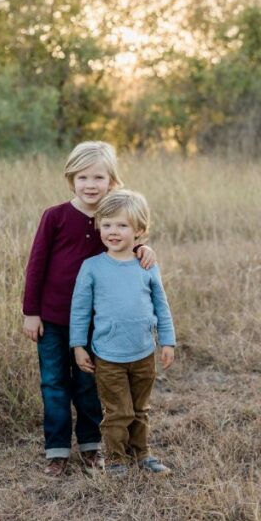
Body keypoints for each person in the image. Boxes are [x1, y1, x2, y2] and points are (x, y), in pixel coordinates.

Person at [21, 141, 156, 477]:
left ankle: (92, 447)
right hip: (52, 318)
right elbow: (36, 265)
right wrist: (31, 311)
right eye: (83, 177)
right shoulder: (55, 216)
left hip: (97, 321)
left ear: (112, 180)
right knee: (53, 384)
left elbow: (127, 240)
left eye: (99, 177)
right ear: (72, 178)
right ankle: (57, 451)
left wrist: (143, 248)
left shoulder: (111, 218)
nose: (91, 184)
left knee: (88, 385)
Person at [70, 190, 176, 476]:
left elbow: (161, 306)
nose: (113, 231)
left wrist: (167, 341)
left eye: (121, 225)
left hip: (143, 352)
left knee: (140, 409)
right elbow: (80, 310)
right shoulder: (91, 267)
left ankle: (142, 454)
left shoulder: (147, 266)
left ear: (139, 231)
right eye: (106, 225)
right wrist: (78, 345)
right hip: (108, 356)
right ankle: (117, 459)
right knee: (119, 411)